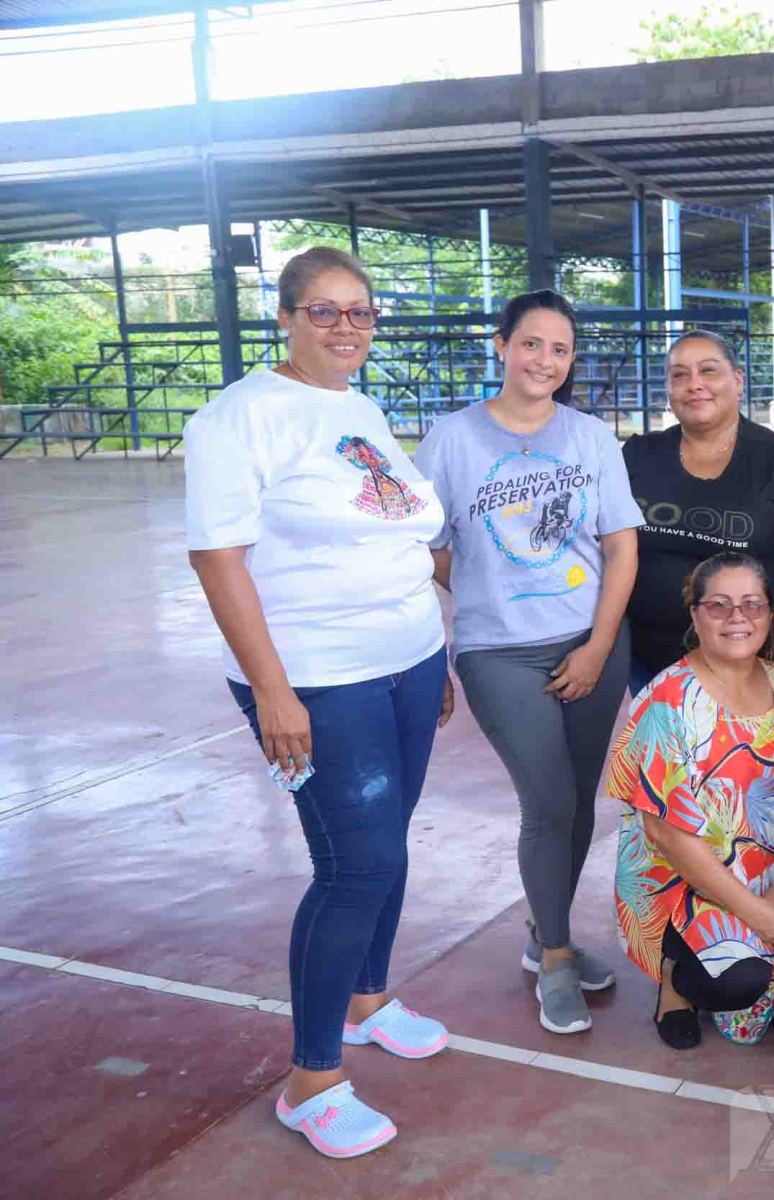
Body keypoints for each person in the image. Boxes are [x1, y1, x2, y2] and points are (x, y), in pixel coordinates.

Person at [185, 246, 451, 1159]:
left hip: (406, 659)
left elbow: (396, 536)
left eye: (361, 312)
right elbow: (217, 559)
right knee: (354, 865)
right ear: (287, 317)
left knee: (389, 843)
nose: (347, 327)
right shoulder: (237, 418)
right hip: (315, 676)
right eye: (325, 311)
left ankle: (367, 999)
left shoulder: (358, 408)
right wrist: (273, 690)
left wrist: (433, 653)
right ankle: (311, 1081)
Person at [413, 289, 642, 1037]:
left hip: (590, 643)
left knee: (577, 803)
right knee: (547, 802)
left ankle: (547, 935)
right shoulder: (451, 440)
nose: (545, 359)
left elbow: (620, 547)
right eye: (532, 343)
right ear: (503, 346)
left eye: (560, 349)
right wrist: (490, 594)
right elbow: (425, 547)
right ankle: (556, 958)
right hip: (498, 651)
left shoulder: (590, 438)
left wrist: (598, 646)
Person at [606, 552, 774, 1049]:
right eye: (719, 605)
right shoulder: (666, 702)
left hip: (772, 874)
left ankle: (735, 954)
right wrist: (760, 915)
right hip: (687, 882)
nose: (737, 617)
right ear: (695, 614)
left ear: (770, 613)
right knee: (737, 984)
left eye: (752, 604)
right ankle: (675, 976)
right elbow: (668, 834)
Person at [622, 330, 774, 692]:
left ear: (738, 380)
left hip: (751, 661)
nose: (694, 384)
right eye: (680, 374)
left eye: (708, 370)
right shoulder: (638, 455)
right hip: (652, 664)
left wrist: (773, 601)